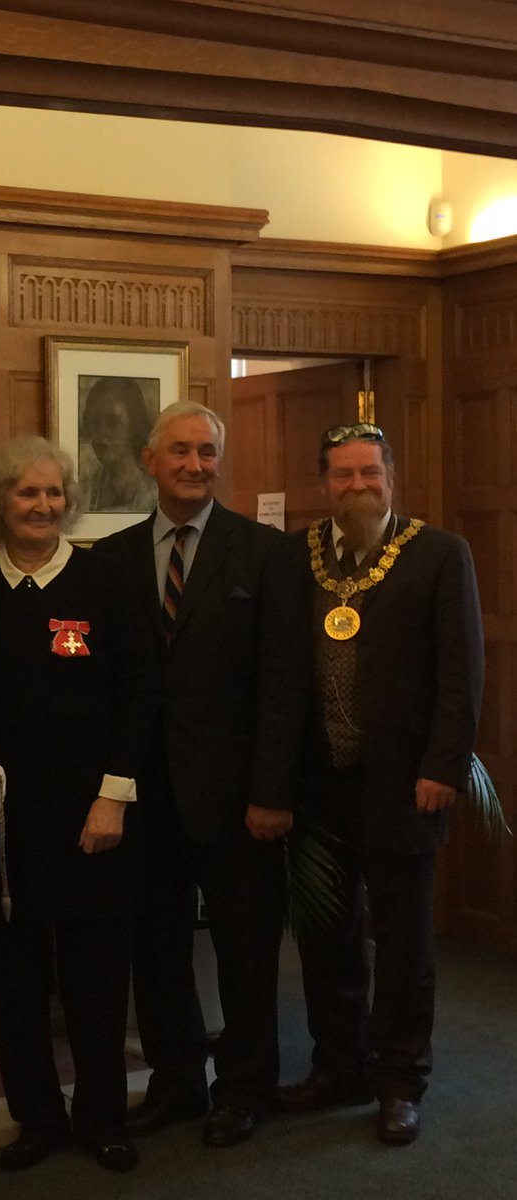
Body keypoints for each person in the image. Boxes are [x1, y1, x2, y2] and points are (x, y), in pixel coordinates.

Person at [93, 401, 307, 1148]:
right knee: (157, 952)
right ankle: (177, 1083)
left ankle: (246, 1089)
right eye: (180, 451)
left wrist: (272, 794)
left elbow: (286, 685)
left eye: (207, 453)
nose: (195, 465)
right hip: (145, 797)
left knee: (247, 953)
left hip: (239, 798)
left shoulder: (265, 553)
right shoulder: (112, 560)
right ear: (149, 461)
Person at [275, 422, 484, 1145]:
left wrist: (442, 767)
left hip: (405, 785)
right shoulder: (295, 558)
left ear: (391, 478)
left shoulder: (438, 554)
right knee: (326, 937)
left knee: (402, 943)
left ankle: (400, 1082)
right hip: (319, 785)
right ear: (323, 483)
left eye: (370, 473)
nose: (357, 486)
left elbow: (462, 673)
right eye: (343, 474)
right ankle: (340, 1067)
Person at [0, 437, 157, 1174]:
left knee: (98, 981)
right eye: (26, 495)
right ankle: (37, 1120)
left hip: (96, 821)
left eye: (53, 494)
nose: (43, 507)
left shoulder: (108, 583)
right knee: (11, 985)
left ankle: (103, 1117)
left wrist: (112, 798)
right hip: (2, 822)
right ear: (0, 505)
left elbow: (141, 695)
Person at [78, 376, 157, 512]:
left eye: (113, 423)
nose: (101, 434)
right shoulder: (87, 491)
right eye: (96, 423)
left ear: (134, 427)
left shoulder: (153, 495)